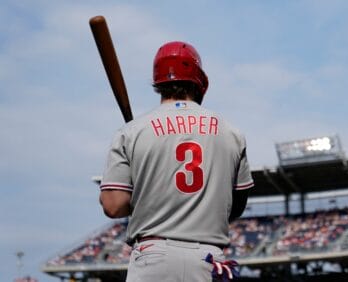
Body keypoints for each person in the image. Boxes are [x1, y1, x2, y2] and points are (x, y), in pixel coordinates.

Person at [99, 41, 254, 281]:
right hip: (208, 258)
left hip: (152, 256)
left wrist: (146, 193)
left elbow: (113, 205)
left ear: (158, 82)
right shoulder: (231, 132)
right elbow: (237, 205)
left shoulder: (131, 131)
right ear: (199, 81)